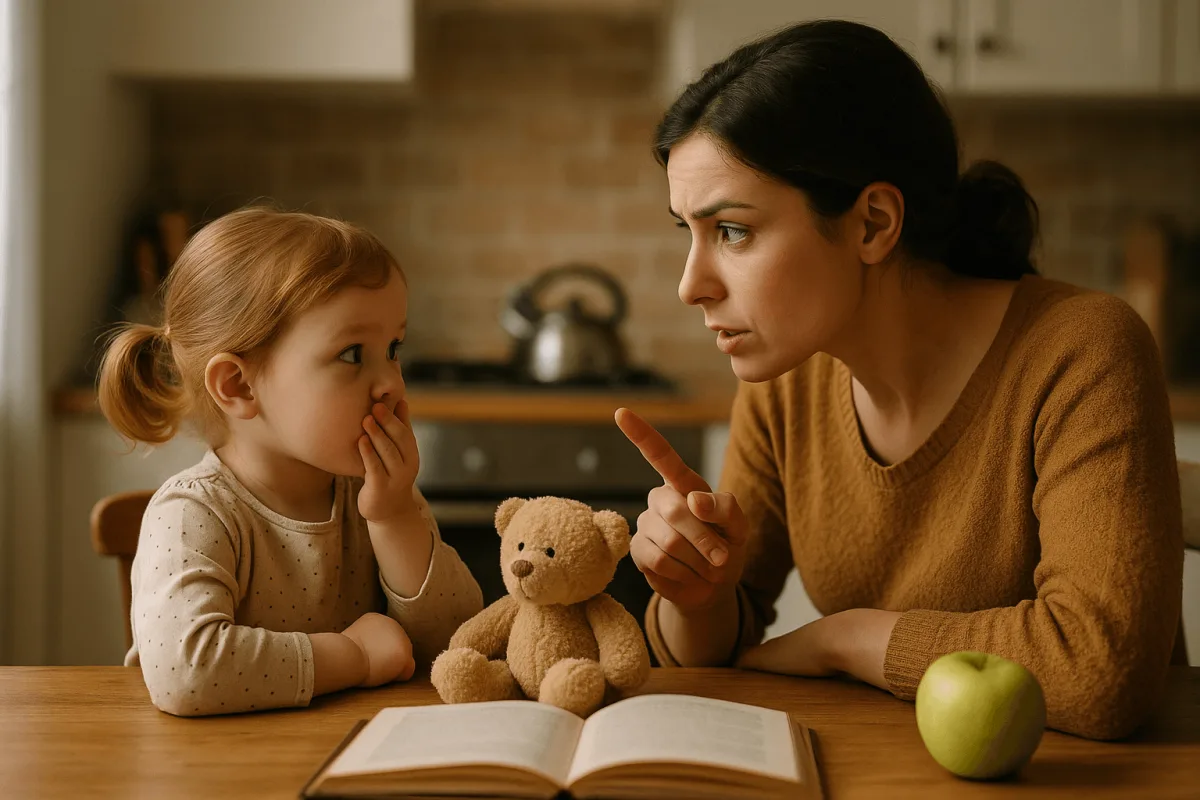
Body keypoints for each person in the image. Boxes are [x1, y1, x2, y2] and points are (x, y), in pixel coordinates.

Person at [615, 19, 1183, 741]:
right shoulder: (783, 381)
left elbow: (1101, 670)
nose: (690, 285)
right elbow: (728, 648)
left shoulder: (1082, 351)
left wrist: (844, 638)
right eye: (685, 233)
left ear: (874, 224)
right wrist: (696, 595)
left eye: (731, 231)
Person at [98, 208, 483, 716]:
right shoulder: (193, 514)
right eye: (352, 354)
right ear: (238, 386)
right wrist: (356, 656)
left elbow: (462, 644)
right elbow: (188, 673)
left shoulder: (375, 495)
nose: (390, 381)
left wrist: (394, 519)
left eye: (393, 349)